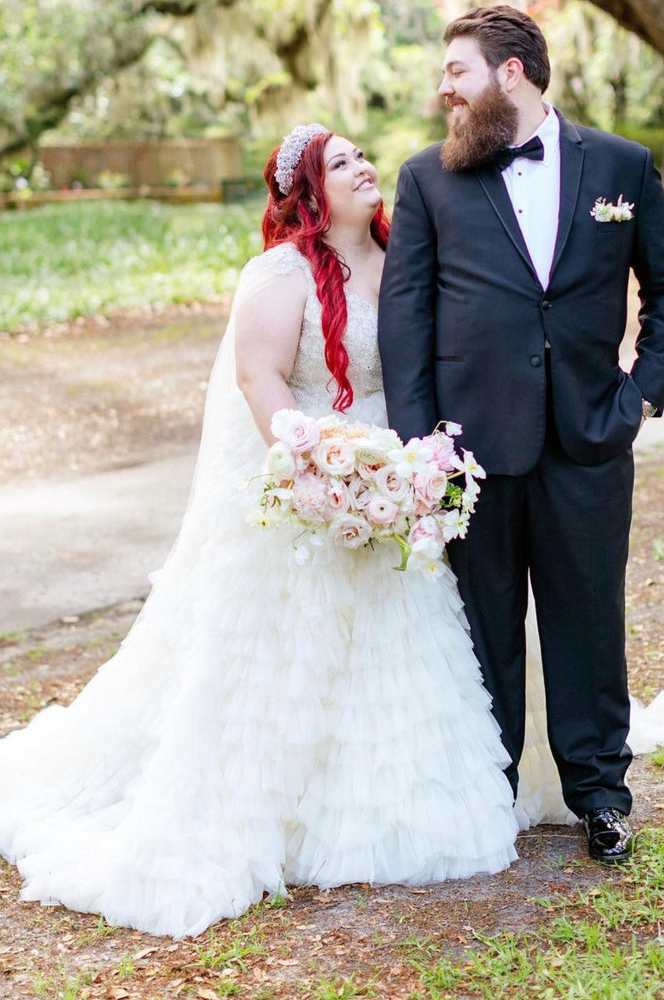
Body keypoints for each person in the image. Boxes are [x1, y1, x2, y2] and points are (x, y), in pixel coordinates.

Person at [0, 124, 519, 939]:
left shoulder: (402, 257)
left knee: (403, 636)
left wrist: (407, 469)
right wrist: (320, 465)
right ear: (310, 191)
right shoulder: (282, 274)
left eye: (361, 154)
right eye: (340, 162)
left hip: (397, 478)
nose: (363, 167)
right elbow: (260, 378)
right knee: (294, 652)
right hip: (318, 479)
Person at [378, 4, 664, 865]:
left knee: (588, 621)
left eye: (458, 71)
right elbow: (405, 321)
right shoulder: (428, 178)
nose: (444, 88)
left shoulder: (621, 165)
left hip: (590, 439)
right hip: (471, 450)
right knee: (483, 629)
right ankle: (491, 795)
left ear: (510, 73)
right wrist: (421, 446)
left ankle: (600, 797)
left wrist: (640, 396)